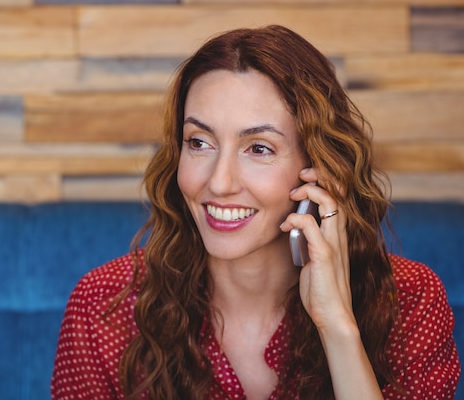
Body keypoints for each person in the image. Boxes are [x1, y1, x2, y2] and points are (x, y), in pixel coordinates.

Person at [51, 25, 460, 400]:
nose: (220, 182)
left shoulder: (410, 301)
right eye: (199, 142)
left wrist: (337, 326)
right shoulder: (104, 306)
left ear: (318, 166)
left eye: (259, 148)